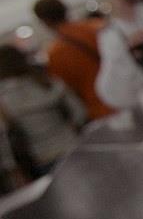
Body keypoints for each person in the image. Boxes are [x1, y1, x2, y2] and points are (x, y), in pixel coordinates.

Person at [0, 45, 86, 178]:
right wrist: (71, 128)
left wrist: (13, 170)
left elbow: (4, 139)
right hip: (72, 144)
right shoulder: (46, 82)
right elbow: (80, 112)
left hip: (42, 156)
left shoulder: (3, 100)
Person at [32, 0, 115, 120]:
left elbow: (69, 90)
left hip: (100, 108)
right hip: (129, 92)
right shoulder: (97, 27)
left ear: (44, 21)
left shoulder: (55, 54)